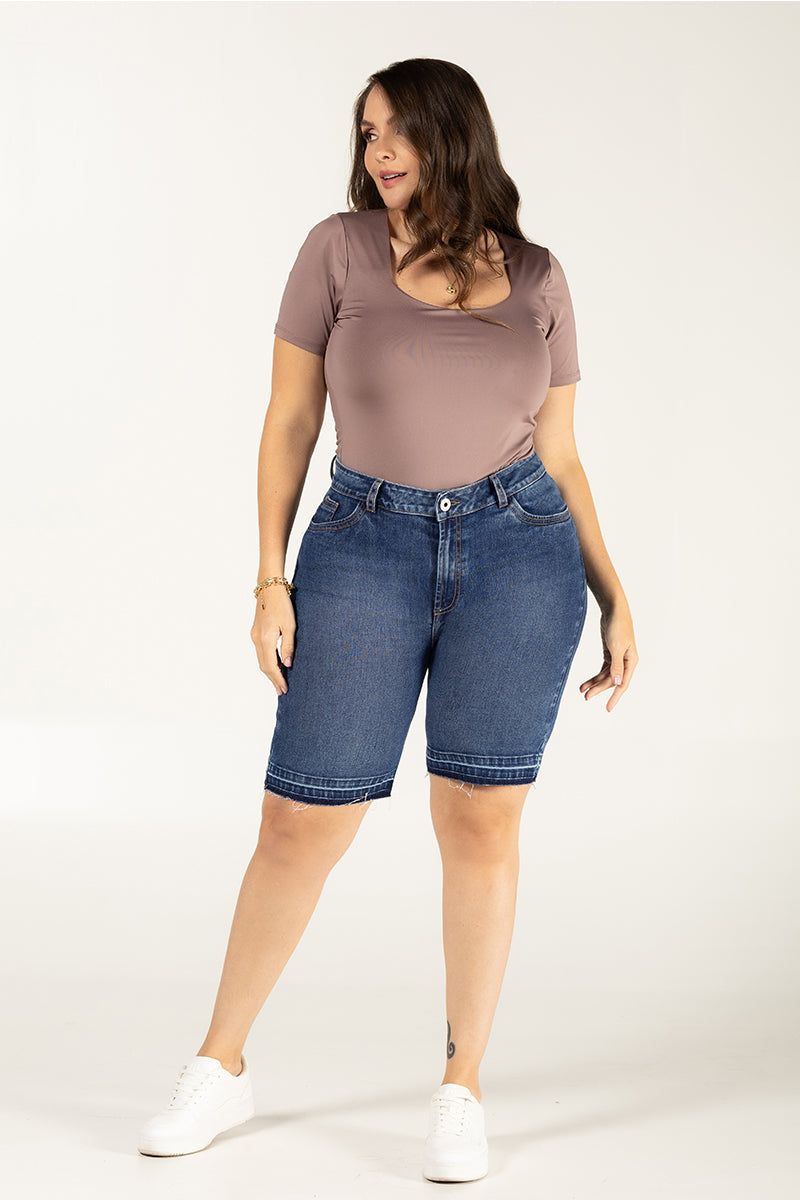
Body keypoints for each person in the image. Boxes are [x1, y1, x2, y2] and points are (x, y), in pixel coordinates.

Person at [137, 57, 638, 1182]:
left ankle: (461, 1087)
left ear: (455, 134)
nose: (379, 150)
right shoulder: (338, 250)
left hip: (520, 551)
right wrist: (268, 580)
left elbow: (561, 455)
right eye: (367, 132)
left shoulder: (539, 276)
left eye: (398, 129)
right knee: (301, 817)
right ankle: (221, 1063)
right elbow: (288, 420)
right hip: (365, 543)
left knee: (481, 822)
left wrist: (613, 593)